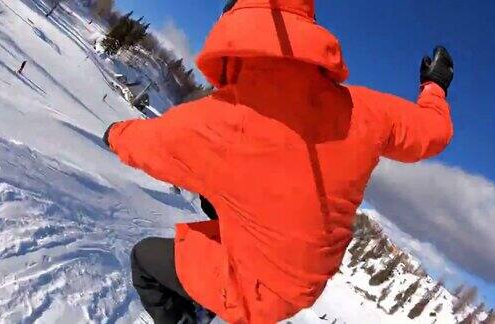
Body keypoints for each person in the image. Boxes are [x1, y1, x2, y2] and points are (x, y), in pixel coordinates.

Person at [103, 0, 454, 323]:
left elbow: (146, 143)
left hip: (256, 291)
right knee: (215, 199)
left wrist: (113, 133)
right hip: (310, 280)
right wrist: (434, 86)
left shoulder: (219, 121)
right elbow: (430, 133)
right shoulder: (364, 111)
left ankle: (191, 315)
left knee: (144, 260)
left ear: (233, 29)